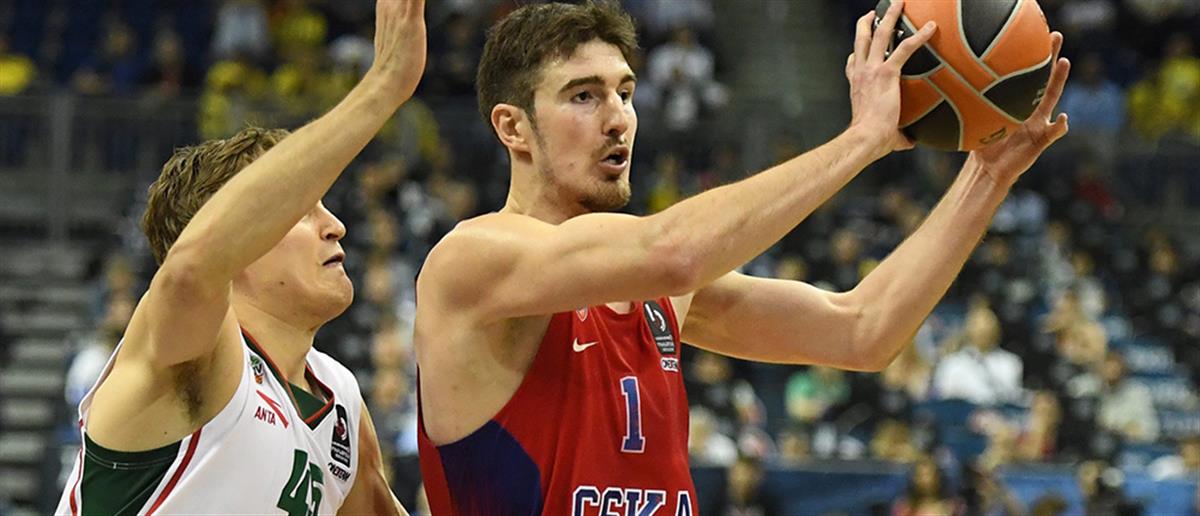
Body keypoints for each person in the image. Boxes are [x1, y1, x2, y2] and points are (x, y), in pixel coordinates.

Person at [414, 1, 1071, 514]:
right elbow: (674, 253)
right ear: (513, 127)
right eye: (584, 96)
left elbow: (862, 331)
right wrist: (864, 139)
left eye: (626, 92)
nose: (618, 119)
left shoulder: (656, 287)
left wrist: (988, 176)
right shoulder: (472, 262)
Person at [54, 0, 426, 513]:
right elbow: (192, 268)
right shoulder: (190, 351)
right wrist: (382, 86)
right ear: (244, 238)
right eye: (302, 211)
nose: (335, 226)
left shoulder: (337, 394)